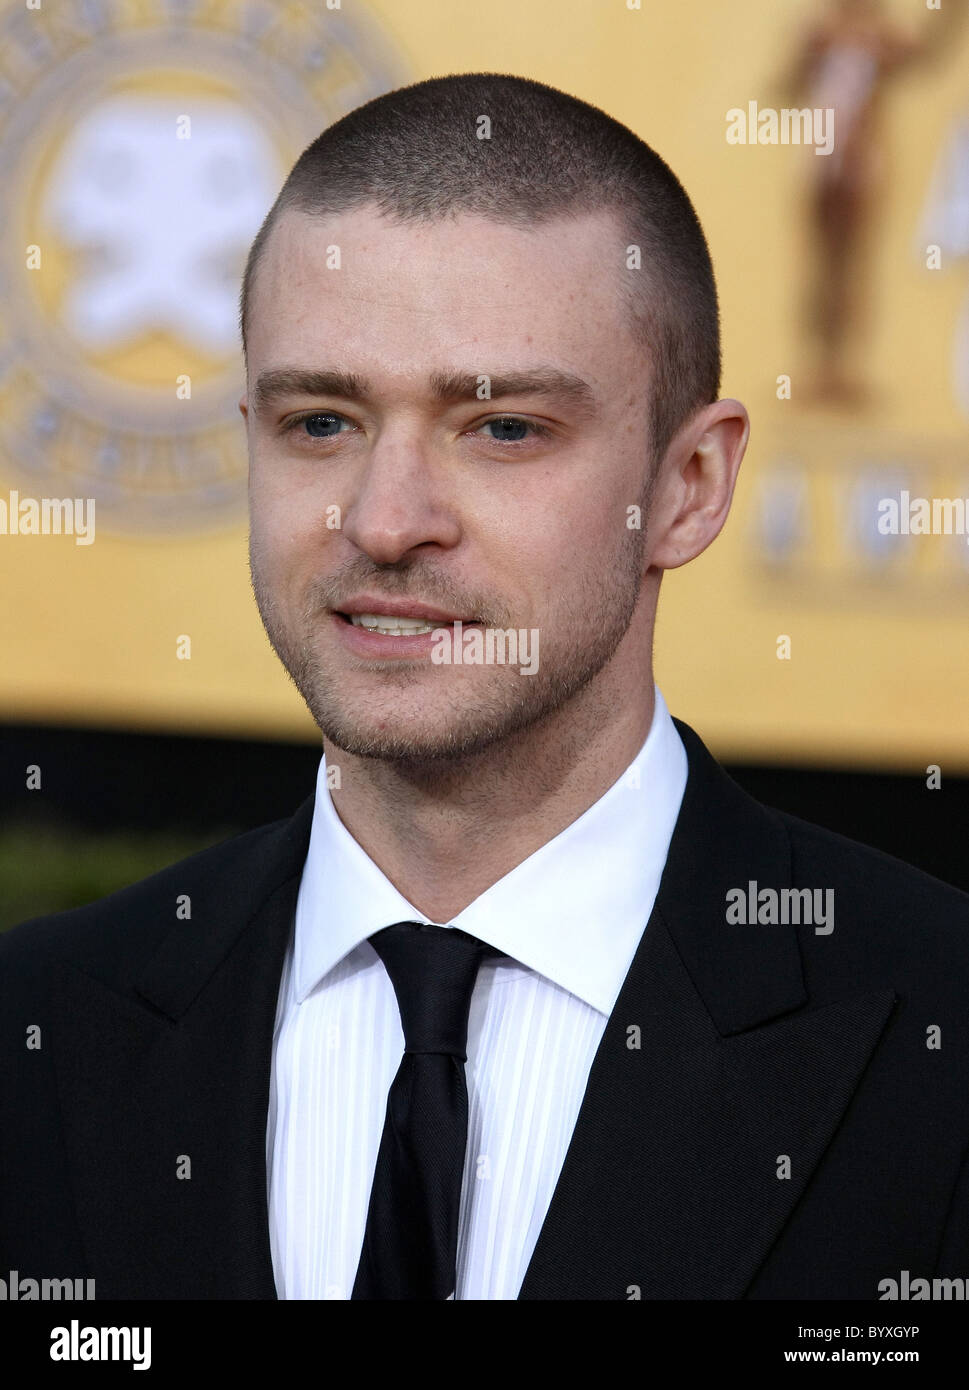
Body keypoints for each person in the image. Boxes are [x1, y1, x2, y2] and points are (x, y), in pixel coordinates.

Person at [2, 72, 968, 1302]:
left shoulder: (937, 1032)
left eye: (503, 428)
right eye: (320, 423)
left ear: (688, 486)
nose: (387, 520)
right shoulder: (36, 1030)